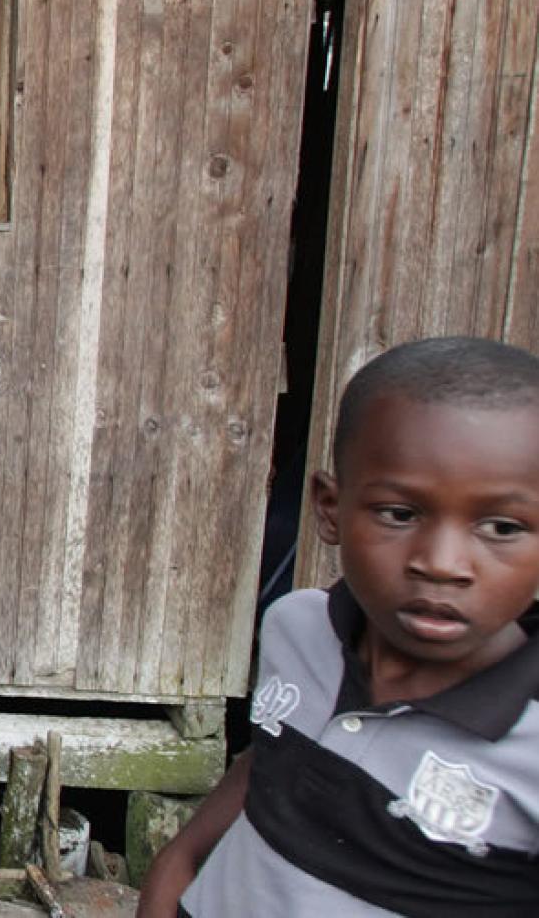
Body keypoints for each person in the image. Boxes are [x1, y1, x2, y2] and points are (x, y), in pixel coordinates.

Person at [138, 336, 539, 916]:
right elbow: (272, 763)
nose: (442, 563)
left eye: (501, 528)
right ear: (330, 509)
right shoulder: (298, 629)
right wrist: (173, 870)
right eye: (399, 514)